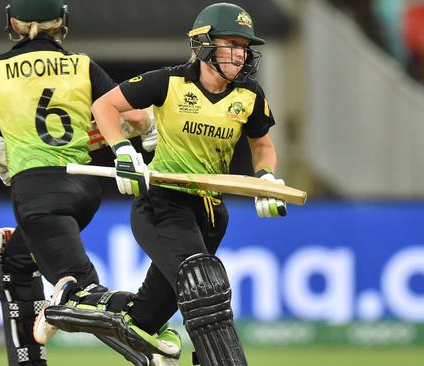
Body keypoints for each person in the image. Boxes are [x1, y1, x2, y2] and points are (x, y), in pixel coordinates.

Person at [39, 3, 288, 366]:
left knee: (145, 318)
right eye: (231, 43)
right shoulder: (168, 81)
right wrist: (124, 152)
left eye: (244, 46)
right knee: (204, 287)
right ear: (204, 45)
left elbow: (262, 146)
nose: (241, 53)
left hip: (211, 212)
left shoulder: (250, 94)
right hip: (163, 205)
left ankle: (72, 303)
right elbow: (104, 106)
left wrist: (265, 178)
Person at [0, 1, 169, 365]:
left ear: (13, 23)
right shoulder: (81, 65)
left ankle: (150, 344)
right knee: (13, 262)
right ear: (61, 22)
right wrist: (133, 134)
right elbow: (139, 118)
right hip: (83, 187)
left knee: (79, 290)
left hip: (35, 191)